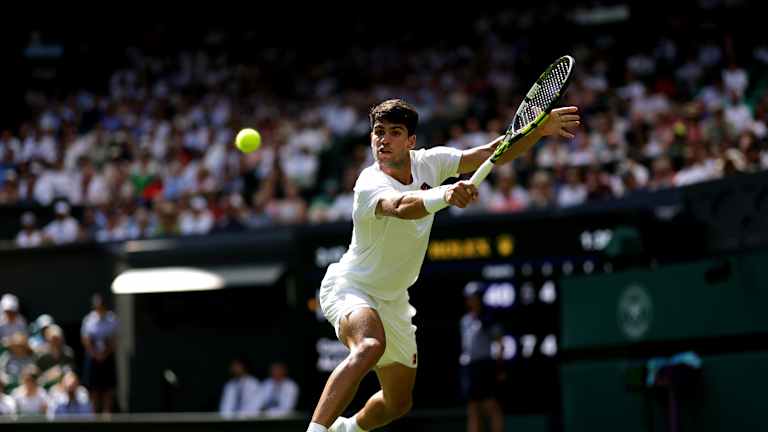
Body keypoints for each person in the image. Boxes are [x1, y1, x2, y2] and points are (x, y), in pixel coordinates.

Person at [308, 99, 579, 432]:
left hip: (394, 299)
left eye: (395, 132)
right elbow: (401, 206)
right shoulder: (368, 182)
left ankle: (346, 430)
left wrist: (537, 131)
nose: (384, 139)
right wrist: (446, 194)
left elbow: (492, 152)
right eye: (378, 132)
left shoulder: (430, 162)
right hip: (352, 287)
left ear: (411, 141)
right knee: (369, 346)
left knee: (397, 403)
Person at [460, 284, 505, 432]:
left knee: (490, 405)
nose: (471, 300)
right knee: (472, 407)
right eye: (469, 298)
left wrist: (499, 367)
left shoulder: (488, 319)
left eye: (474, 297)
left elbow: (500, 343)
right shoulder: (465, 321)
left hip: (485, 366)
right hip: (469, 367)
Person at [80, 293, 119, 414]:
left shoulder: (112, 319)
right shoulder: (88, 320)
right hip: (93, 358)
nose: (99, 308)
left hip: (108, 358)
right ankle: (93, 416)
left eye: (101, 306)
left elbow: (114, 340)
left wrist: (105, 354)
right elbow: (85, 340)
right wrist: (95, 354)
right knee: (93, 389)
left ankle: (107, 416)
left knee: (108, 389)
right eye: (97, 306)